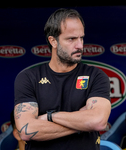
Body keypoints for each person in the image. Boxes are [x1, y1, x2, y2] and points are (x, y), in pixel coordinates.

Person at [14, 8, 111, 150]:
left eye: (81, 38)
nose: (79, 45)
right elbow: (27, 130)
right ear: (53, 41)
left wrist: (49, 116)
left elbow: (98, 121)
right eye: (71, 39)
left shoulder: (96, 76)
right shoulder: (29, 78)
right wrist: (82, 121)